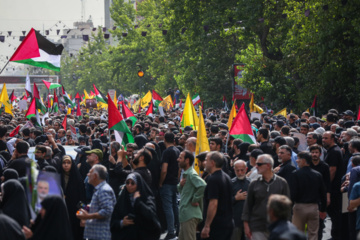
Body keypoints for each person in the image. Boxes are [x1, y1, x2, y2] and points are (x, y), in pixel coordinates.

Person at [242, 154, 290, 240]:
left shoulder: (282, 183)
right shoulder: (254, 184)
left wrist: (287, 227)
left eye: (259, 164)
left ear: (268, 165)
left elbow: (287, 208)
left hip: (277, 228)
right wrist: (246, 225)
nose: (256, 166)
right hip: (257, 227)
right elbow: (247, 206)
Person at [110, 172, 161, 240]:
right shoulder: (122, 199)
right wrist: (122, 223)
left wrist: (138, 202)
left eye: (132, 183)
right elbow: (113, 221)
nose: (129, 185)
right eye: (127, 182)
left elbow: (151, 216)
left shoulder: (147, 198)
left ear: (138, 184)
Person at [291, 151, 327, 240]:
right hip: (314, 207)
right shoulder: (317, 174)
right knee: (313, 233)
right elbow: (323, 193)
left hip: (299, 207)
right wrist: (323, 209)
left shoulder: (295, 174)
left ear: (303, 160)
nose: (297, 161)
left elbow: (293, 193)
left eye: (298, 159)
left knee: (298, 233)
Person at [77, 164, 116, 240]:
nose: (87, 174)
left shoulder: (104, 190)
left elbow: (107, 211)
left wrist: (87, 216)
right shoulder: (99, 189)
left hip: (101, 236)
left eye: (90, 172)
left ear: (95, 176)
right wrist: (88, 208)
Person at [200, 151, 234, 240]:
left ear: (212, 163)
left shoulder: (213, 179)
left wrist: (207, 226)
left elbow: (213, 204)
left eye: (206, 160)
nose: (204, 163)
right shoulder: (226, 177)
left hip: (216, 226)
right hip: (227, 223)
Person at [177, 150, 206, 240]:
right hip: (185, 214)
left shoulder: (191, 174)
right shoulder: (187, 174)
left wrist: (195, 199)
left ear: (187, 160)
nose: (178, 159)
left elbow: (202, 185)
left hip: (189, 214)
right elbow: (184, 192)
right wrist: (180, 185)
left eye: (180, 158)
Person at [159, 132, 180, 240]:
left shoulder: (167, 152)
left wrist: (161, 182)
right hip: (175, 182)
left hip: (167, 183)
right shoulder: (177, 150)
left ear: (164, 140)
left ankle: (171, 231)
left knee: (168, 208)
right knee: (175, 206)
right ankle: (178, 228)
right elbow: (180, 168)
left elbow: (164, 170)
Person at [322, 131, 343, 240]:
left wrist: (327, 187)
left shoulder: (334, 152)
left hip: (334, 188)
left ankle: (336, 236)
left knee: (334, 213)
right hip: (333, 188)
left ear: (332, 139)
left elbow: (332, 170)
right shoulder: (332, 150)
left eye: (326, 138)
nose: (323, 140)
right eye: (323, 138)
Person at [60, 155, 86, 240]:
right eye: (64, 163)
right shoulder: (58, 178)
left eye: (68, 163)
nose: (66, 165)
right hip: (61, 214)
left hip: (75, 215)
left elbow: (82, 199)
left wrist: (82, 216)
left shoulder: (78, 179)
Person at [231, 160, 250, 240]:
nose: (240, 172)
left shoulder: (251, 183)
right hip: (236, 221)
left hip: (249, 221)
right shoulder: (231, 183)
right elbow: (224, 203)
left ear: (246, 169)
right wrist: (236, 198)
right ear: (234, 170)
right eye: (237, 170)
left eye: (242, 170)